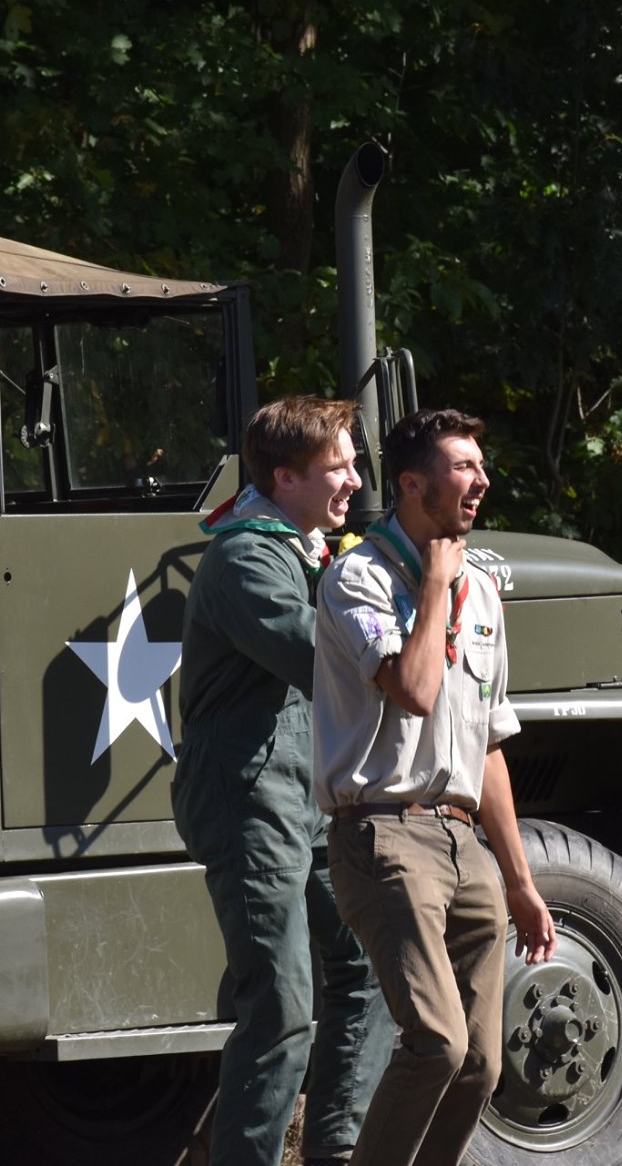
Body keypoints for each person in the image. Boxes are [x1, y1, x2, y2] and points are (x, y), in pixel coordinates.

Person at [312, 408, 557, 1166]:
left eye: (482, 467)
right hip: (384, 831)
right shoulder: (359, 576)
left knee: (482, 1062)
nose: (481, 481)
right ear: (413, 483)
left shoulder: (483, 591)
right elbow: (415, 688)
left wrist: (519, 880)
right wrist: (437, 583)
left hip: (463, 840)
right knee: (436, 1043)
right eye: (463, 467)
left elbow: (485, 743)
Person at [173, 396, 394, 1166]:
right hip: (249, 800)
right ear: (284, 475)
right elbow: (324, 662)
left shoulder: (304, 547)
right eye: (338, 467)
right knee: (281, 1008)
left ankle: (338, 1148)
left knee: (368, 964)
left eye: (354, 463)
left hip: (302, 798)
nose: (354, 483)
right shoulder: (246, 557)